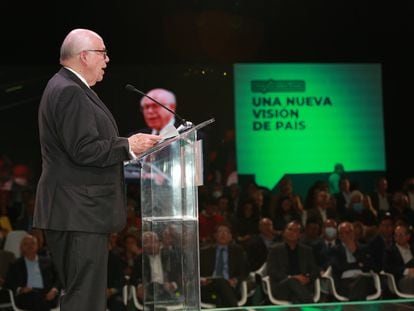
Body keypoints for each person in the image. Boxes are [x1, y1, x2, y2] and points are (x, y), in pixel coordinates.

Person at [33, 28, 161, 311]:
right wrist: (129, 145)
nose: (107, 59)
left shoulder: (66, 87)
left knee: (82, 295)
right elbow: (84, 149)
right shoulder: (69, 91)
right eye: (103, 53)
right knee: (85, 299)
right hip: (79, 212)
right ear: (84, 56)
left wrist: (127, 147)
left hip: (75, 211)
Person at [4, 234, 60, 311]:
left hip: (47, 294)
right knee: (36, 299)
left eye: (32, 243)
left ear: (37, 246)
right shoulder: (15, 265)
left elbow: (59, 278)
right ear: (22, 247)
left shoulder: (48, 262)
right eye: (26, 244)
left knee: (40, 300)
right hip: (26, 295)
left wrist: (54, 290)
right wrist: (21, 289)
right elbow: (8, 283)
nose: (29, 246)